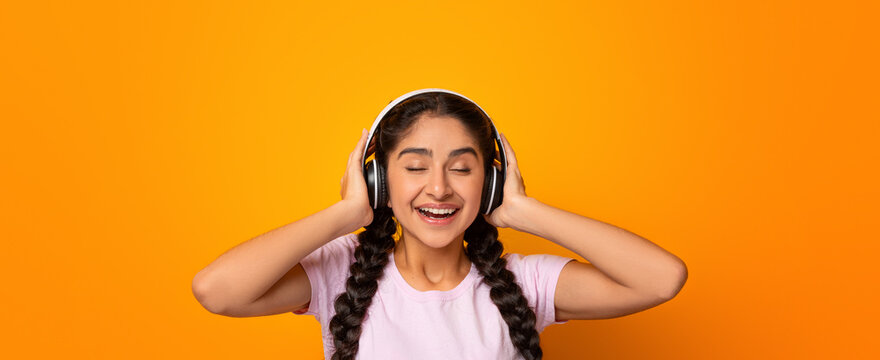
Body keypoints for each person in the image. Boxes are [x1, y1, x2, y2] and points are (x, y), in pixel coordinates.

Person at [192, 90, 688, 360]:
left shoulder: (524, 284)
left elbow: (661, 278)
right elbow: (217, 291)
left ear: (488, 183)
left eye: (461, 167)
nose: (439, 188)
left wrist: (521, 209)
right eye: (414, 166)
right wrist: (346, 213)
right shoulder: (338, 275)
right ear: (379, 180)